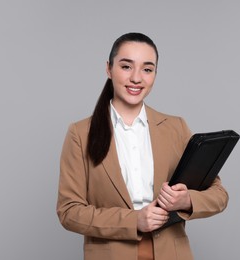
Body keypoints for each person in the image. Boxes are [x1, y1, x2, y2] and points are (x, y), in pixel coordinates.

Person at [57, 32, 228, 260]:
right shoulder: (80, 134)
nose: (136, 78)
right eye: (126, 67)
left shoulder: (175, 128)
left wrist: (186, 200)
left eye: (147, 69)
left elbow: (219, 194)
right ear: (109, 69)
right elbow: (69, 212)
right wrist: (134, 220)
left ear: (155, 74)